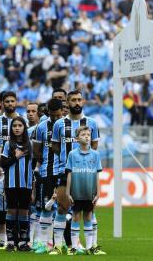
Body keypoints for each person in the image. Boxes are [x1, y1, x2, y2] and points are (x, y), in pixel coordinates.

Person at [50, 90, 100, 255]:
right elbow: (55, 146)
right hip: (65, 171)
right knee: (63, 207)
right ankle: (57, 246)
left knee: (88, 210)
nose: (77, 103)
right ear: (67, 103)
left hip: (86, 172)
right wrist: (68, 159)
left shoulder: (91, 123)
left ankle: (91, 247)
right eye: (73, 100)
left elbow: (94, 146)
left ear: (83, 102)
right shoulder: (59, 124)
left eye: (79, 100)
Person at [65, 126, 103, 255]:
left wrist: (98, 192)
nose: (87, 136)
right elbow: (69, 173)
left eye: (88, 134)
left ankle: (89, 247)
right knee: (76, 217)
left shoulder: (96, 154)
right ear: (76, 139)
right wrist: (67, 192)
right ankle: (74, 247)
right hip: (76, 192)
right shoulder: (72, 154)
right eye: (83, 135)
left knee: (88, 216)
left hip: (89, 192)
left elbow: (97, 174)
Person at [32, 98, 63, 254]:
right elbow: (36, 151)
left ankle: (60, 242)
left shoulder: (66, 125)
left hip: (64, 171)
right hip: (47, 172)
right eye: (53, 116)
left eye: (58, 115)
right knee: (46, 206)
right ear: (48, 113)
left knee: (64, 208)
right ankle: (44, 243)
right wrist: (44, 164)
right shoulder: (41, 127)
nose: (56, 119)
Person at [1, 116, 33, 252]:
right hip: (11, 183)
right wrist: (16, 157)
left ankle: (23, 242)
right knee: (12, 210)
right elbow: (3, 164)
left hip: (26, 183)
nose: (17, 128)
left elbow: (34, 163)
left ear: (24, 127)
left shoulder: (29, 144)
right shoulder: (8, 144)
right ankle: (11, 241)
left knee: (24, 211)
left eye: (20, 125)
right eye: (14, 126)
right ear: (11, 129)